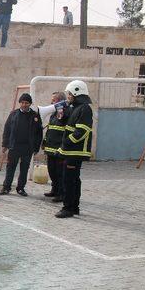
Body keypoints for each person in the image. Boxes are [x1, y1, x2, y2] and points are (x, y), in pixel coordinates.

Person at [55, 80, 93, 218]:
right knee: (74, 180)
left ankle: (68, 208)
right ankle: (74, 207)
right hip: (71, 150)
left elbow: (82, 131)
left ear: (77, 93)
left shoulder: (84, 109)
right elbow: (67, 123)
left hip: (75, 151)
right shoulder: (75, 108)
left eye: (70, 94)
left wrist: (65, 143)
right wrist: (62, 114)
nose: (68, 96)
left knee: (69, 180)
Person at [0, 93, 43, 196]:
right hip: (14, 146)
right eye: (22, 102)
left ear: (30, 104)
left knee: (24, 169)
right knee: (10, 167)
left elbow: (38, 133)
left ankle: (20, 188)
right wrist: (5, 144)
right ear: (20, 103)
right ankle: (6, 187)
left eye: (26, 103)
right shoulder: (13, 114)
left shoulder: (35, 116)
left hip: (27, 147)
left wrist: (36, 147)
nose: (24, 105)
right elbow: (7, 130)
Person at [42, 92, 68, 202]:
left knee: (59, 172)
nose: (51, 102)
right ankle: (54, 189)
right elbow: (50, 129)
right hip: (50, 148)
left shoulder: (64, 113)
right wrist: (44, 142)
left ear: (61, 101)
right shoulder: (53, 114)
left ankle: (61, 193)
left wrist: (61, 109)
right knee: (51, 171)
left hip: (59, 149)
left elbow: (64, 127)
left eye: (54, 100)